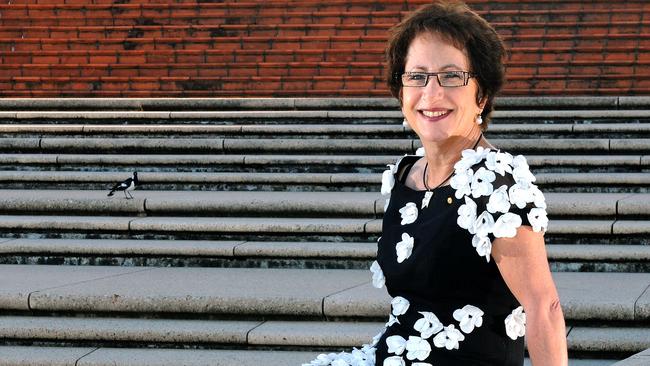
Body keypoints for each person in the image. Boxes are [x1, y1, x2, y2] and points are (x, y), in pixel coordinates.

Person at [303, 1, 567, 365]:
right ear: (401, 92)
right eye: (417, 76)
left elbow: (544, 306)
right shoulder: (405, 175)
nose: (431, 92)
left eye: (451, 76)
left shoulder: (498, 185)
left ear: (483, 94)